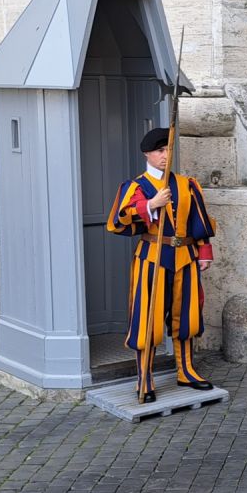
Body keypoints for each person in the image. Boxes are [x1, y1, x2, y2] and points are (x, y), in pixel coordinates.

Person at [105, 127, 218, 404]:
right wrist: (151, 205)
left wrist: (204, 251)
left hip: (185, 256)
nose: (165, 155)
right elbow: (119, 220)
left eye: (168, 149)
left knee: (188, 316)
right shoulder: (136, 187)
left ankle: (187, 371)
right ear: (147, 154)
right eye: (159, 151)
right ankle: (145, 378)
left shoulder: (186, 184)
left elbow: (199, 219)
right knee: (147, 319)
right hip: (152, 257)